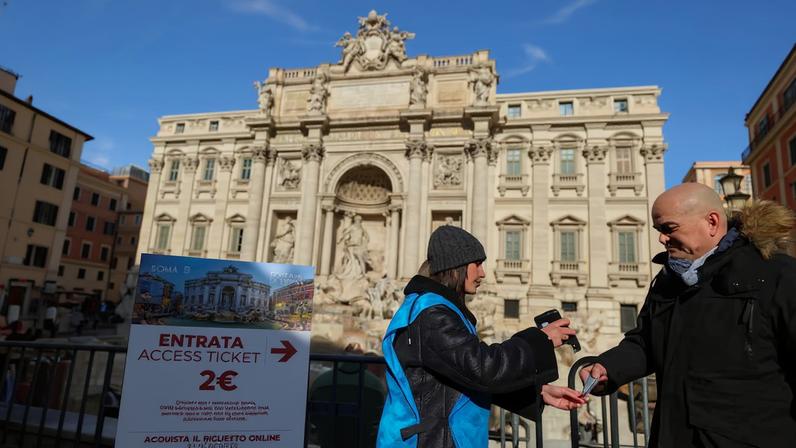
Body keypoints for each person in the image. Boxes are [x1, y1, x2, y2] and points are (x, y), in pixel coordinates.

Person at [580, 183, 796, 447]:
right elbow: (645, 342)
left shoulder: (778, 275)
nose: (661, 238)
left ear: (712, 223)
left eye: (669, 228)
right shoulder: (668, 281)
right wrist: (609, 368)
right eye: (659, 230)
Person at [378, 225, 584, 447]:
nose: (483, 273)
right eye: (477, 264)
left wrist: (538, 393)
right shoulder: (431, 314)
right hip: (428, 440)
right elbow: (483, 368)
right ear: (455, 267)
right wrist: (539, 340)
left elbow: (462, 377)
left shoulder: (435, 309)